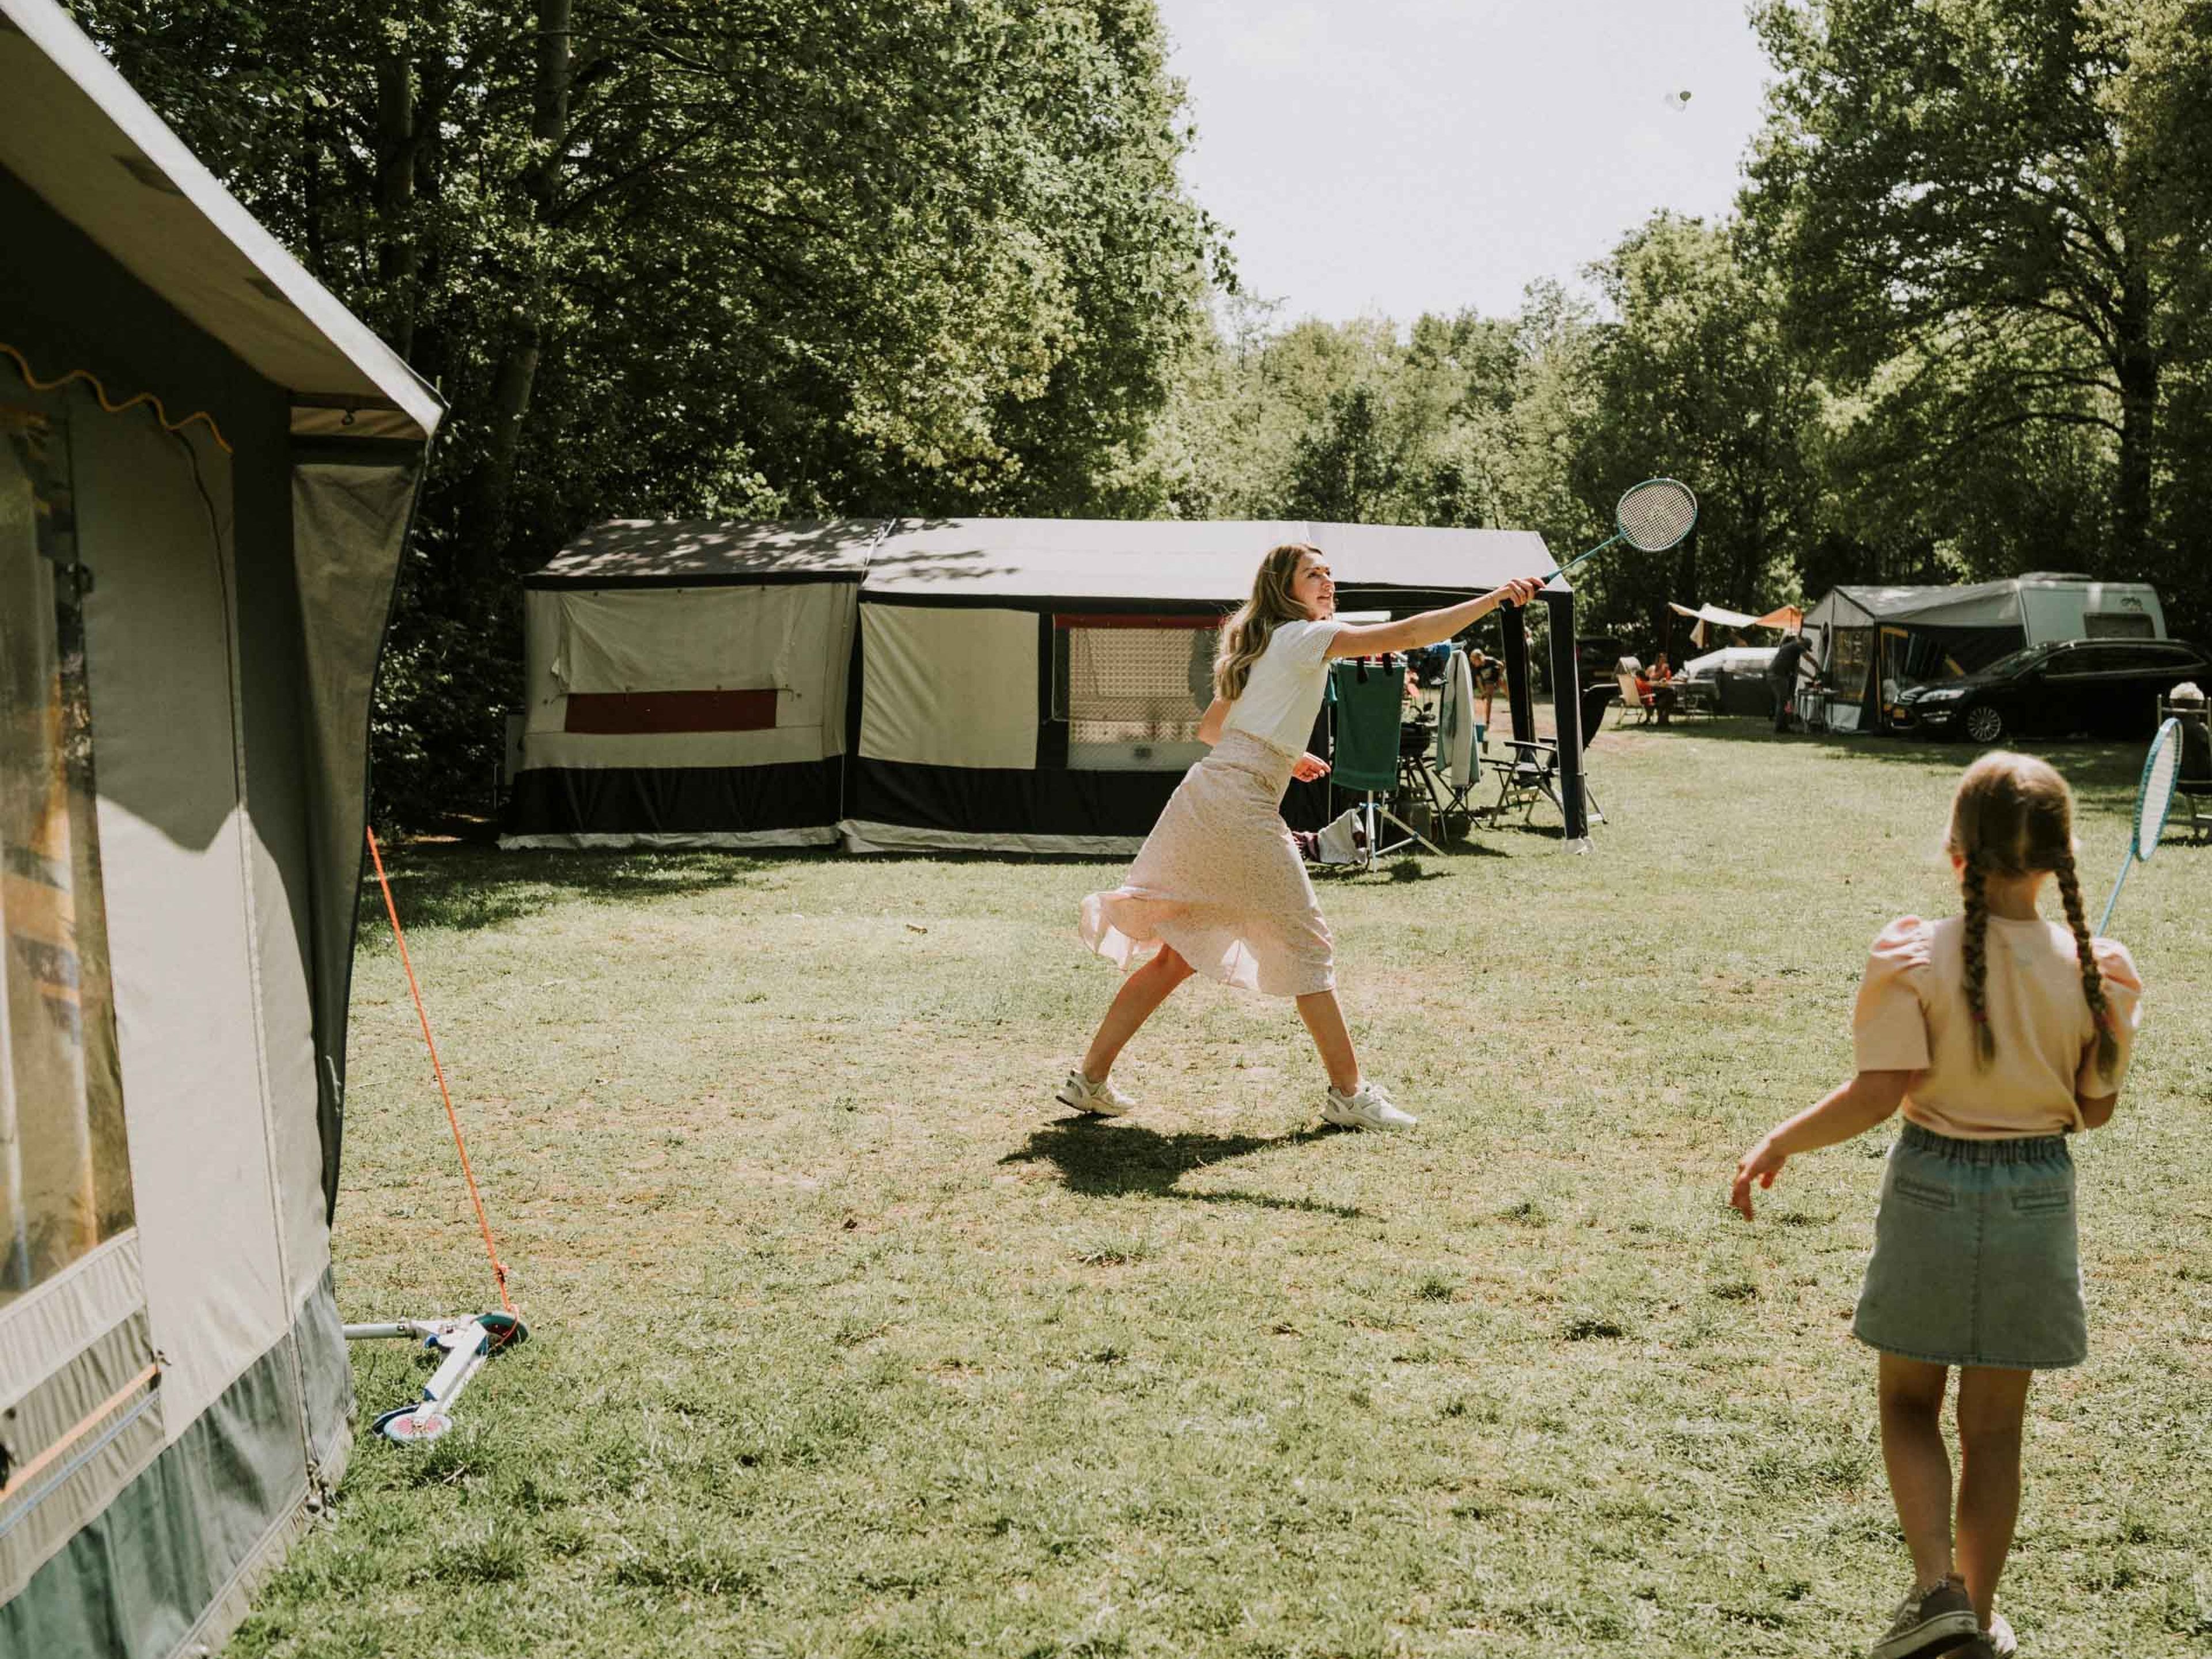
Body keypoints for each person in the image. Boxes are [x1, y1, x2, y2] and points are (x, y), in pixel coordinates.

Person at [1729, 753, 2143, 1659]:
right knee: (1995, 1430)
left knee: (1909, 1403)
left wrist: (1782, 1139)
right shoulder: (2098, 971)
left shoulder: (1916, 955)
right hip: (2037, 1196)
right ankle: (1976, 1618)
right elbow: (2097, 1109)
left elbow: (1879, 1093)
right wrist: (2102, 1030)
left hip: (1930, 1189)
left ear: (1957, 851)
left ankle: (1936, 1595)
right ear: (2060, 860)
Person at [1061, 544, 1544, 1131]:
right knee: (1307, 946)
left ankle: (1089, 1080)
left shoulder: (1261, 644)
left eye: (1329, 573)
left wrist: (1286, 757)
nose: (1327, 581)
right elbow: (1411, 633)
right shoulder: (1304, 636)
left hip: (1206, 796)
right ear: (1283, 588)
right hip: (1238, 806)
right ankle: (1349, 1095)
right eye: (1312, 574)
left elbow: (1213, 729)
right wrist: (1495, 599)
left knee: (1177, 956)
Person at [1769, 628, 1815, 732]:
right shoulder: (1797, 645)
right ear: (1804, 645)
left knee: (1784, 701)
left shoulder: (1792, 651)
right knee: (1782, 701)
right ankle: (1779, 727)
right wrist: (1818, 668)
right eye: (1806, 649)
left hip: (1777, 675)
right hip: (1778, 675)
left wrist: (1811, 677)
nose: (1805, 650)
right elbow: (1809, 658)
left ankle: (1784, 726)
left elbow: (1798, 669)